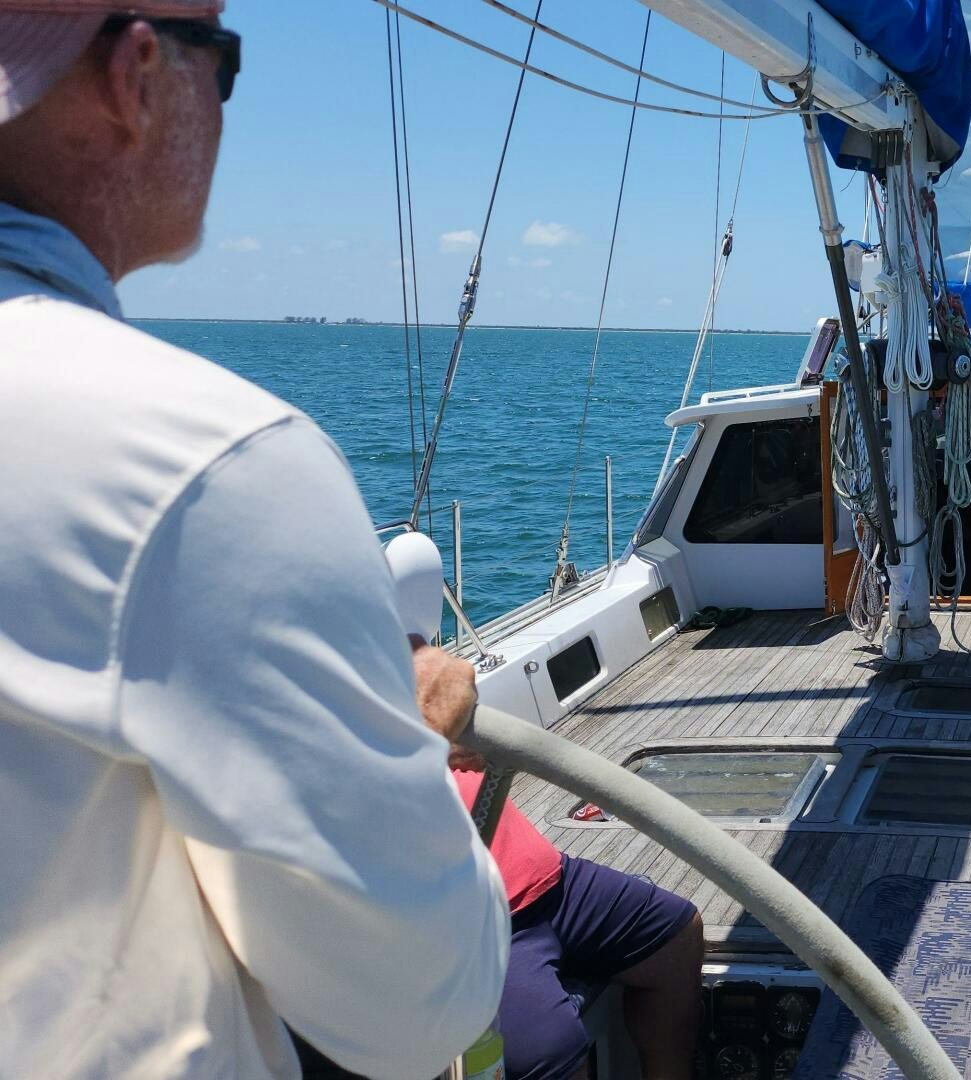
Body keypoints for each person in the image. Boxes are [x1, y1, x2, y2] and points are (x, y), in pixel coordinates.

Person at [0, 5, 510, 1077]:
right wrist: (411, 739)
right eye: (221, 65)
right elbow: (418, 1004)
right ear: (140, 72)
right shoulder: (201, 463)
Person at [445, 757, 705, 1080]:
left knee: (677, 939)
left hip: (552, 879)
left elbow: (469, 740)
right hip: (481, 923)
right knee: (553, 1053)